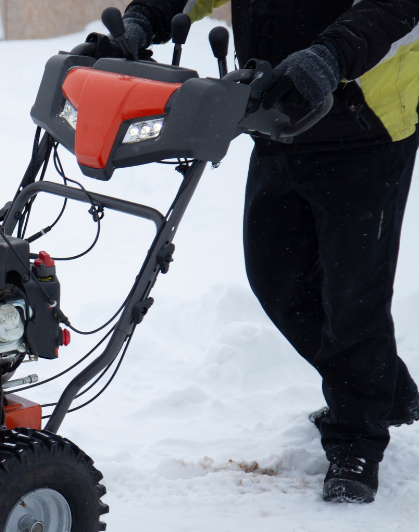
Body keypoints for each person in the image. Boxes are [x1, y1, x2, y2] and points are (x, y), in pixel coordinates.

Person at [116, 0, 418, 503]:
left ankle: (357, 438)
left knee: (353, 294)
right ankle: (383, 388)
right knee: (276, 277)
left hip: (366, 128)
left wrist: (331, 55)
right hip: (278, 115)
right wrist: (144, 16)